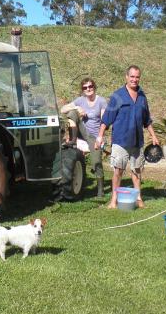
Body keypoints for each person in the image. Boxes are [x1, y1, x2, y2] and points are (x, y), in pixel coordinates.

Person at [96, 65, 160, 209]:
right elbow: (106, 118)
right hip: (120, 140)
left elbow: (147, 120)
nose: (134, 80)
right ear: (126, 77)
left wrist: (154, 136)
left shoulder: (142, 97)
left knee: (137, 171)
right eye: (132, 76)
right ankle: (114, 200)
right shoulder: (118, 96)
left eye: (137, 77)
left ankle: (138, 198)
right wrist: (99, 137)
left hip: (137, 141)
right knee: (118, 171)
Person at [68, 78, 108, 197]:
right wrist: (76, 108)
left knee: (96, 162)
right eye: (85, 87)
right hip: (81, 131)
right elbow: (63, 109)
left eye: (90, 86)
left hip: (94, 135)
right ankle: (73, 140)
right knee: (71, 113)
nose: (88, 89)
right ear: (82, 90)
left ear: (94, 87)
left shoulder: (101, 101)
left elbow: (104, 121)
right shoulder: (80, 100)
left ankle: (100, 188)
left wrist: (100, 138)